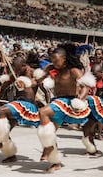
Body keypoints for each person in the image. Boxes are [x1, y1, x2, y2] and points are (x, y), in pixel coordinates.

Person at [36, 43, 94, 173]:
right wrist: (24, 82)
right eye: (52, 60)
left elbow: (86, 87)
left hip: (68, 102)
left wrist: (80, 100)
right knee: (49, 132)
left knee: (43, 112)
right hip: (57, 101)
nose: (53, 62)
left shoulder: (73, 70)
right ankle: (55, 162)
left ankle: (47, 150)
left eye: (56, 60)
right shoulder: (51, 68)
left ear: (64, 58)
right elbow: (37, 80)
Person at [0, 56, 40, 163]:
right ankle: (10, 154)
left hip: (27, 105)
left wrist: (26, 83)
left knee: (1, 110)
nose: (15, 71)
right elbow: (2, 87)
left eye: (17, 68)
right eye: (14, 68)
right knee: (4, 131)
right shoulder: (15, 73)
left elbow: (37, 82)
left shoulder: (33, 73)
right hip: (17, 103)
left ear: (24, 66)